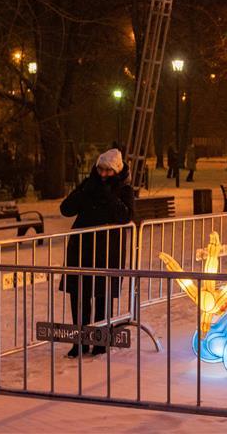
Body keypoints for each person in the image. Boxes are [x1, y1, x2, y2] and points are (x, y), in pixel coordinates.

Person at [59, 148, 133, 357]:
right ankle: (80, 341)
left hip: (107, 250)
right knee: (79, 295)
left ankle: (100, 340)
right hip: (81, 248)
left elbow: (125, 216)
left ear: (116, 171)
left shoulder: (124, 190)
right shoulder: (88, 186)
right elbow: (66, 209)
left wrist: (108, 195)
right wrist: (84, 191)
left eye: (108, 171)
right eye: (100, 169)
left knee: (102, 294)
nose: (103, 175)